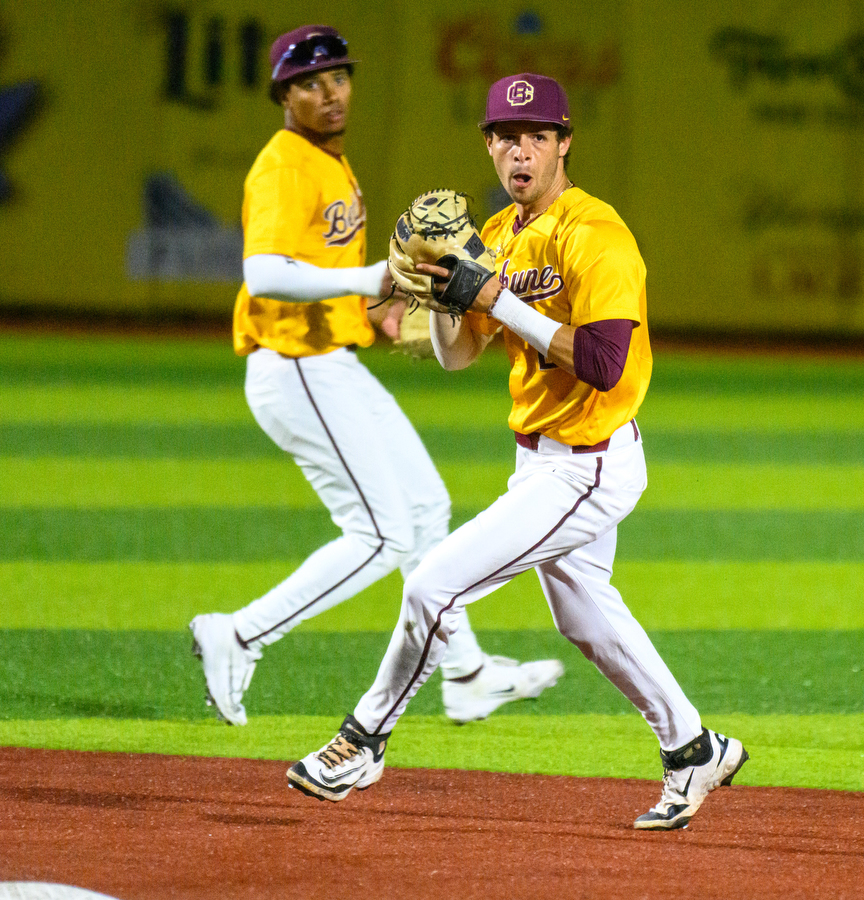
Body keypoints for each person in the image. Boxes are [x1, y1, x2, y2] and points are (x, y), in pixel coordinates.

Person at [287, 73, 747, 831]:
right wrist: (445, 298)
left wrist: (496, 299)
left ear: (564, 144)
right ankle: (694, 748)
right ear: (489, 146)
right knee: (587, 621)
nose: (521, 151)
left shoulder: (596, 234)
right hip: (539, 461)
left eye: (537, 136)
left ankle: (363, 742)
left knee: (432, 587)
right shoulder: (496, 235)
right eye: (505, 137)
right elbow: (458, 356)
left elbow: (603, 362)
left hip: (588, 464)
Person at [188, 27, 563, 729]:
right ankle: (239, 634)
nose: (330, 93)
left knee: (425, 507)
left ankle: (466, 674)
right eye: (310, 83)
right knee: (382, 534)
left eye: (339, 77)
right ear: (283, 96)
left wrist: (375, 309)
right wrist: (370, 279)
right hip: (294, 366)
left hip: (330, 359)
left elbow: (318, 269)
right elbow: (263, 273)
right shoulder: (284, 165)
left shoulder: (329, 161)